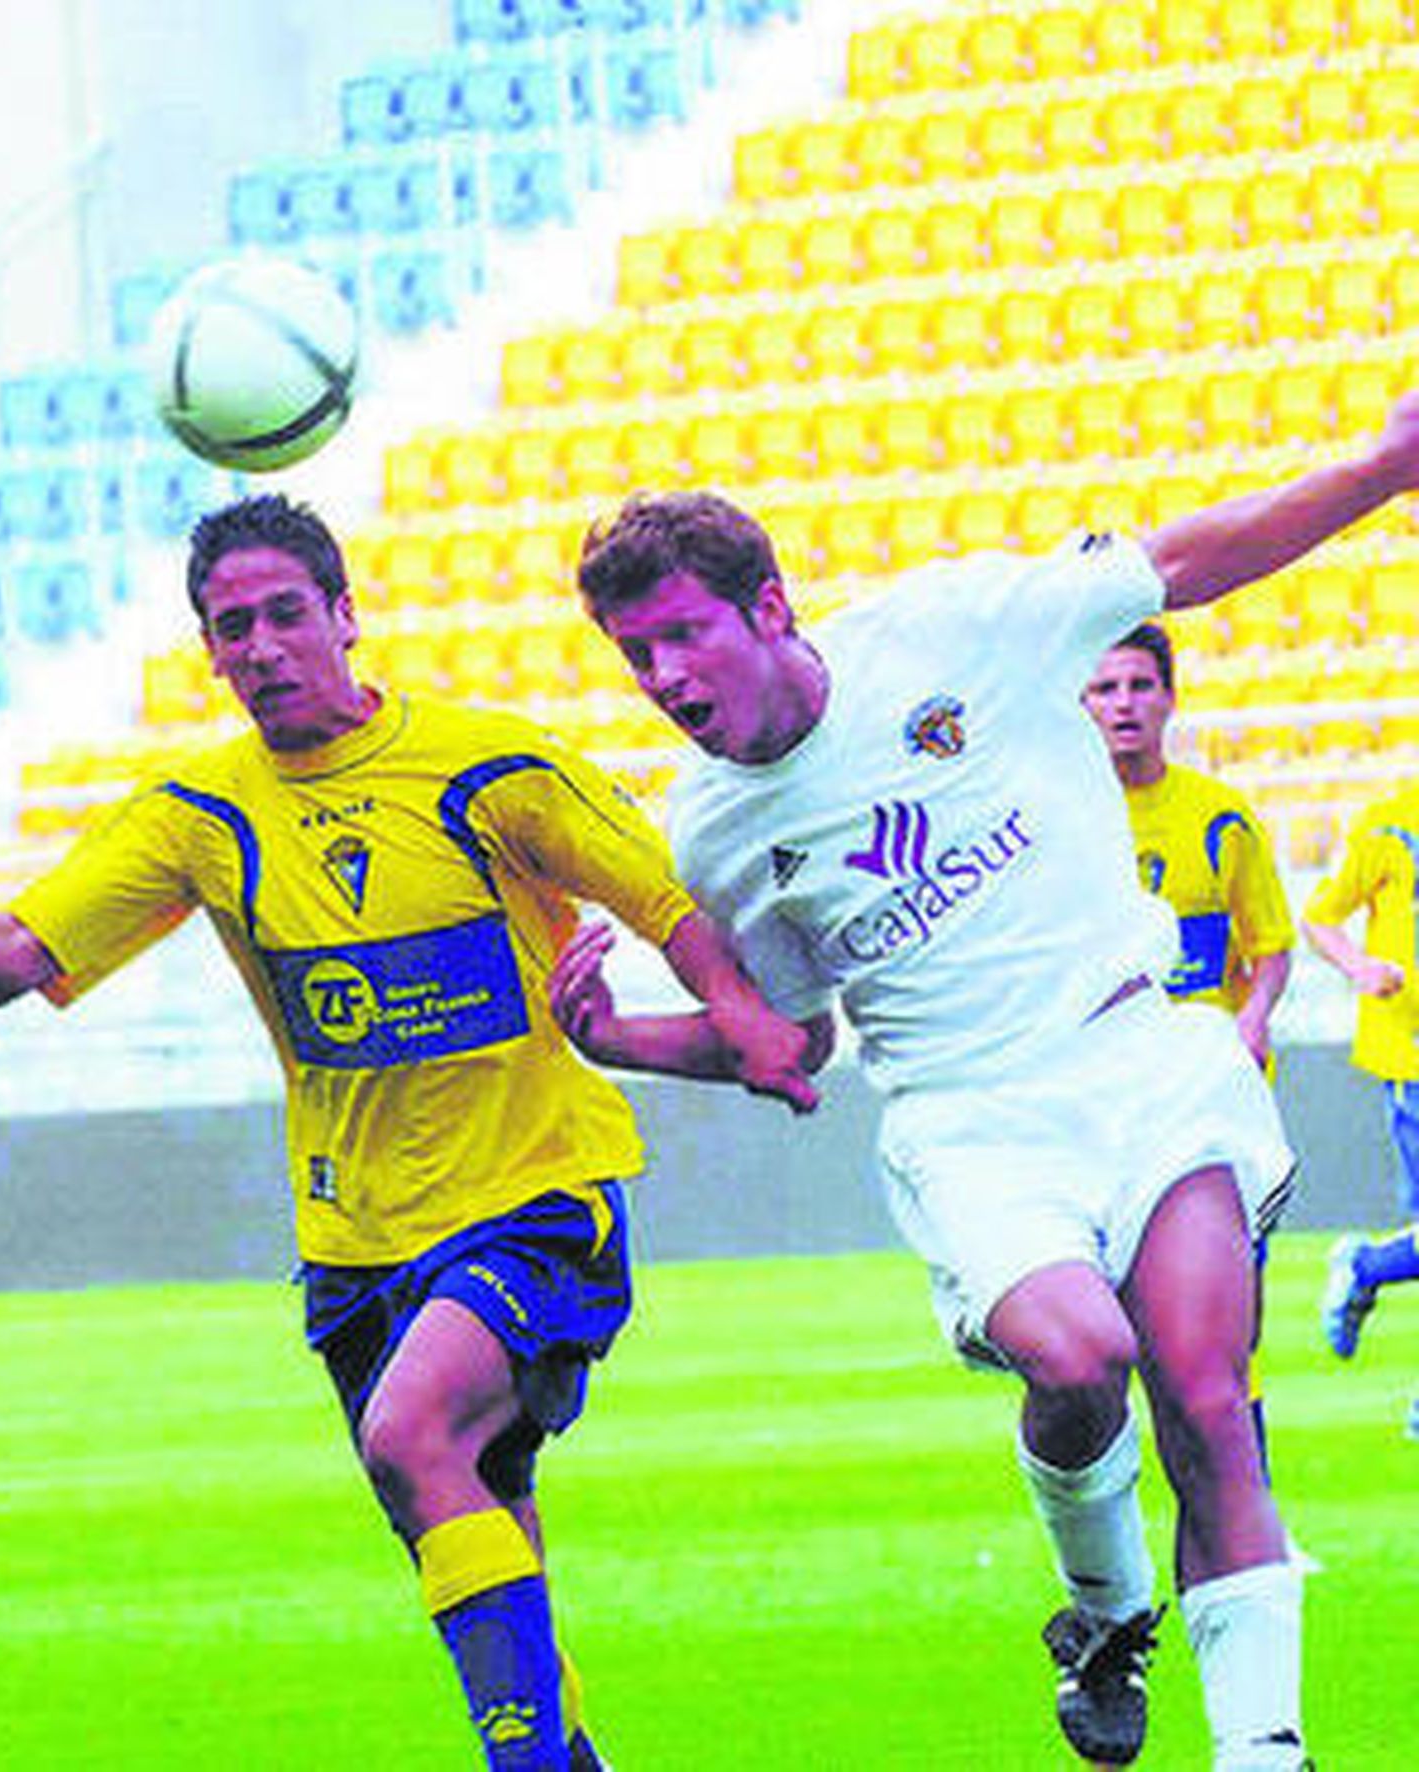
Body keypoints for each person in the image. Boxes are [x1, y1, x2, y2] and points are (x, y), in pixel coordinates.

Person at [0, 492, 817, 1772]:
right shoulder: (198, 812)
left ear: (345, 616)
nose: (263, 645)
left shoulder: (483, 764)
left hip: (535, 1196)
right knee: (480, 1510)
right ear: (212, 653)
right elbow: (14, 958)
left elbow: (665, 893)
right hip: (354, 1246)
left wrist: (740, 1016)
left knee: (409, 1434)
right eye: (232, 627)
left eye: (287, 612)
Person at [550, 396, 1419, 1770]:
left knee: (1207, 1399)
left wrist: (1382, 470)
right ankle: (1107, 1607)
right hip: (970, 1123)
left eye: (682, 636)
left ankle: (1267, 1751)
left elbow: (1177, 565)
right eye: (634, 652)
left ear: (769, 608)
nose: (661, 675)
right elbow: (790, 1045)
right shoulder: (709, 833)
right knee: (1082, 1362)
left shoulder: (952, 629)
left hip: (1139, 1053)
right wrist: (618, 1039)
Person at [1083, 621, 1295, 1475]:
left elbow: (1271, 943)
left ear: (1169, 697)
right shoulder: (1063, 823)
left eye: (1139, 686)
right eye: (1105, 689)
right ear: (1082, 706)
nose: (1124, 705)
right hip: (1107, 1108)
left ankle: (1254, 1523)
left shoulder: (1220, 814)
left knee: (1229, 1328)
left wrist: (1256, 1013)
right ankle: (1138, 1530)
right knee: (1114, 1338)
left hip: (1211, 1107)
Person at [1301, 781, 1419, 1439]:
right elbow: (1320, 915)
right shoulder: (1390, 825)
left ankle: (1366, 1267)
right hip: (1412, 1056)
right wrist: (1360, 966)